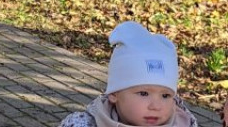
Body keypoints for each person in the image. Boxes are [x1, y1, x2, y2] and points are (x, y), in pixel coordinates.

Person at [58, 21, 199, 127]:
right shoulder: (84, 124)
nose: (156, 106)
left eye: (165, 95)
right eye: (143, 93)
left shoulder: (184, 123)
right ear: (114, 93)